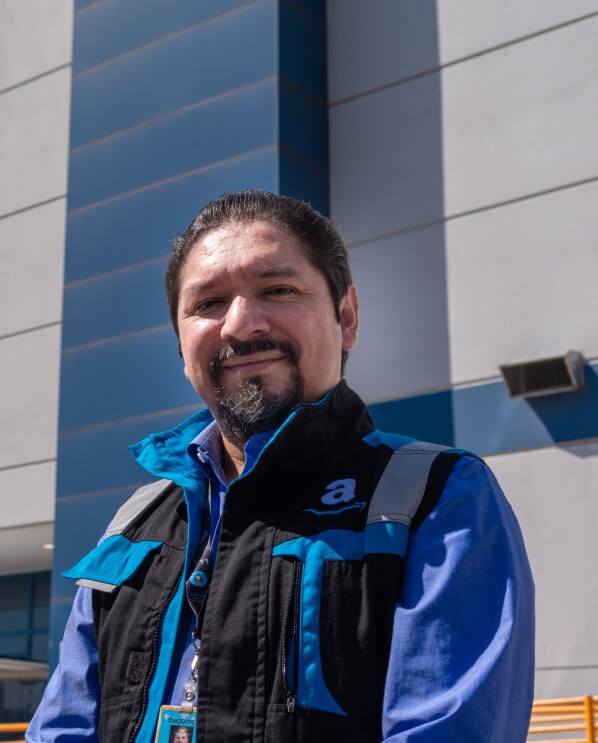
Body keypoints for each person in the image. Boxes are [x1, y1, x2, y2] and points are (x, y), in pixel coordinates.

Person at [27, 191, 534, 742]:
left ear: (346, 317)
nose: (240, 325)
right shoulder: (135, 523)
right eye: (208, 304)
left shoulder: (436, 496)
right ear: (180, 342)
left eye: (278, 290)